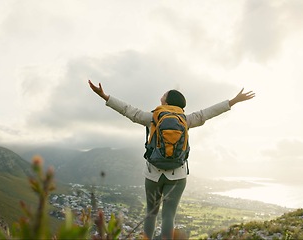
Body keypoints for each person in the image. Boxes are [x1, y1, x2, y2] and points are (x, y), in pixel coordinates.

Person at [88, 80, 255, 239]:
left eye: (163, 95)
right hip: (177, 175)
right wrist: (233, 101)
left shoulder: (153, 118)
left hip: (153, 174)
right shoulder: (187, 120)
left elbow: (128, 110)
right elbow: (209, 112)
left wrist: (105, 96)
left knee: (151, 214)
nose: (161, 97)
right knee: (169, 215)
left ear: (167, 101)